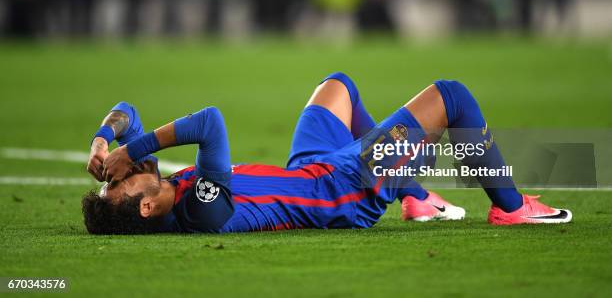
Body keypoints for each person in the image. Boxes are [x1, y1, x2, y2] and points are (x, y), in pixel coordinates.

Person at [82, 72, 571, 234]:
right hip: (346, 189)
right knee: (452, 97)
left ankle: (415, 193)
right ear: (145, 205)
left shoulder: (157, 194)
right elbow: (210, 122)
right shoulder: (201, 211)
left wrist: (106, 140)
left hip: (311, 170)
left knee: (339, 85)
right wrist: (139, 147)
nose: (124, 174)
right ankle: (510, 208)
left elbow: (127, 111)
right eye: (121, 183)